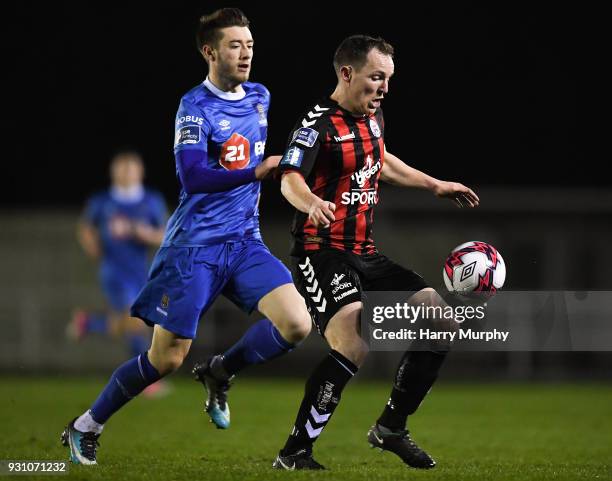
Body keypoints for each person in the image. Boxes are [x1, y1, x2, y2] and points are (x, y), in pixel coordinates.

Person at [61, 8, 311, 465]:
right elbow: (193, 177)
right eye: (234, 45)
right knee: (167, 359)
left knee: (297, 322)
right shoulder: (193, 106)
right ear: (208, 50)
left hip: (244, 242)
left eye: (250, 45)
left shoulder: (260, 96)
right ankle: (84, 426)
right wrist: (258, 169)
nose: (245, 53)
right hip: (193, 247)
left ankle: (220, 372)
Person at [272, 35, 479, 470]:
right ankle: (295, 452)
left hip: (365, 251)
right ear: (347, 73)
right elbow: (289, 176)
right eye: (376, 77)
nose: (384, 87)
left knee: (441, 319)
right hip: (321, 252)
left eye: (388, 78)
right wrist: (311, 202)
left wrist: (435, 185)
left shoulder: (373, 116)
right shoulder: (316, 125)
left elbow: (379, 160)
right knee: (353, 344)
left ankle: (391, 428)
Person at [68, 151, 167, 398]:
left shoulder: (151, 200)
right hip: (113, 271)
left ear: (140, 171)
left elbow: (165, 234)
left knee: (138, 323)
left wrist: (147, 234)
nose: (126, 172)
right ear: (114, 172)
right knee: (134, 322)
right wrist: (91, 244)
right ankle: (146, 379)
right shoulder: (102, 201)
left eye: (131, 168)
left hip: (141, 271)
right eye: (122, 168)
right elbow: (86, 227)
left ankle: (88, 323)